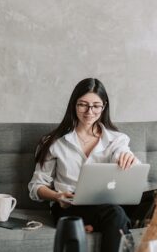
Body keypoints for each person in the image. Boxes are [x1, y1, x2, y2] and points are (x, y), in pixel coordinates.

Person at [28, 78, 139, 252]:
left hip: (106, 205)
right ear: (74, 104)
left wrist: (127, 158)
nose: (90, 111)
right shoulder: (54, 142)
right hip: (68, 207)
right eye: (83, 105)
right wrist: (57, 197)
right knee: (117, 216)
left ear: (104, 107)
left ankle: (97, 223)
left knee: (128, 209)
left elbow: (123, 154)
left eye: (96, 105)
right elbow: (36, 187)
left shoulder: (117, 140)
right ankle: (104, 223)